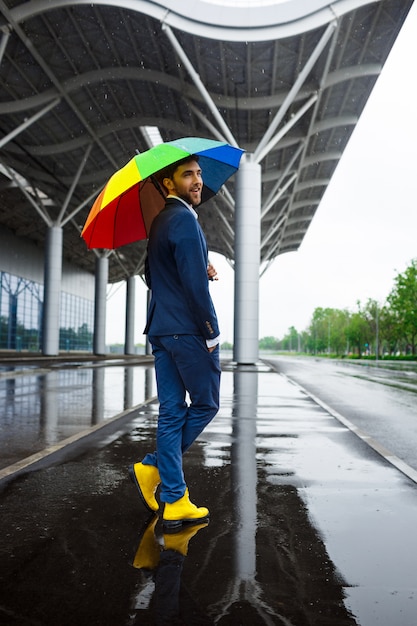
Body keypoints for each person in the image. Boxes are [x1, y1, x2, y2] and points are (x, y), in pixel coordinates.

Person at [129, 155, 221, 530]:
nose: (197, 181)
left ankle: (173, 493)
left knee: (171, 411)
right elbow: (194, 287)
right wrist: (210, 329)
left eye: (199, 174)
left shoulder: (159, 222)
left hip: (161, 330)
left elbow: (155, 277)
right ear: (169, 184)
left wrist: (200, 263)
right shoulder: (184, 220)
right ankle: (161, 476)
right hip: (187, 330)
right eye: (188, 175)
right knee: (206, 403)